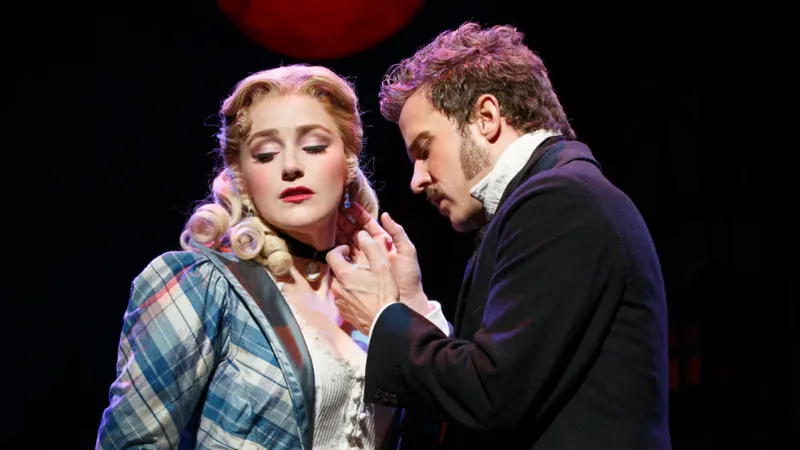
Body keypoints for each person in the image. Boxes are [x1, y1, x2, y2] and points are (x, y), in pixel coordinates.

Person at [326, 22, 672, 449]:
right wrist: (413, 304)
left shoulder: (559, 202)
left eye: (425, 150)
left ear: (486, 118)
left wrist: (382, 317)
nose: (417, 180)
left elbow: (490, 396)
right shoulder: (551, 199)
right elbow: (496, 377)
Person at [95, 64, 449, 449]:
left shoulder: (371, 296)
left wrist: (411, 303)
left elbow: (440, 419)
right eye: (265, 154)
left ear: (348, 162)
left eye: (314, 147)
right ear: (241, 177)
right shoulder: (204, 285)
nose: (291, 167)